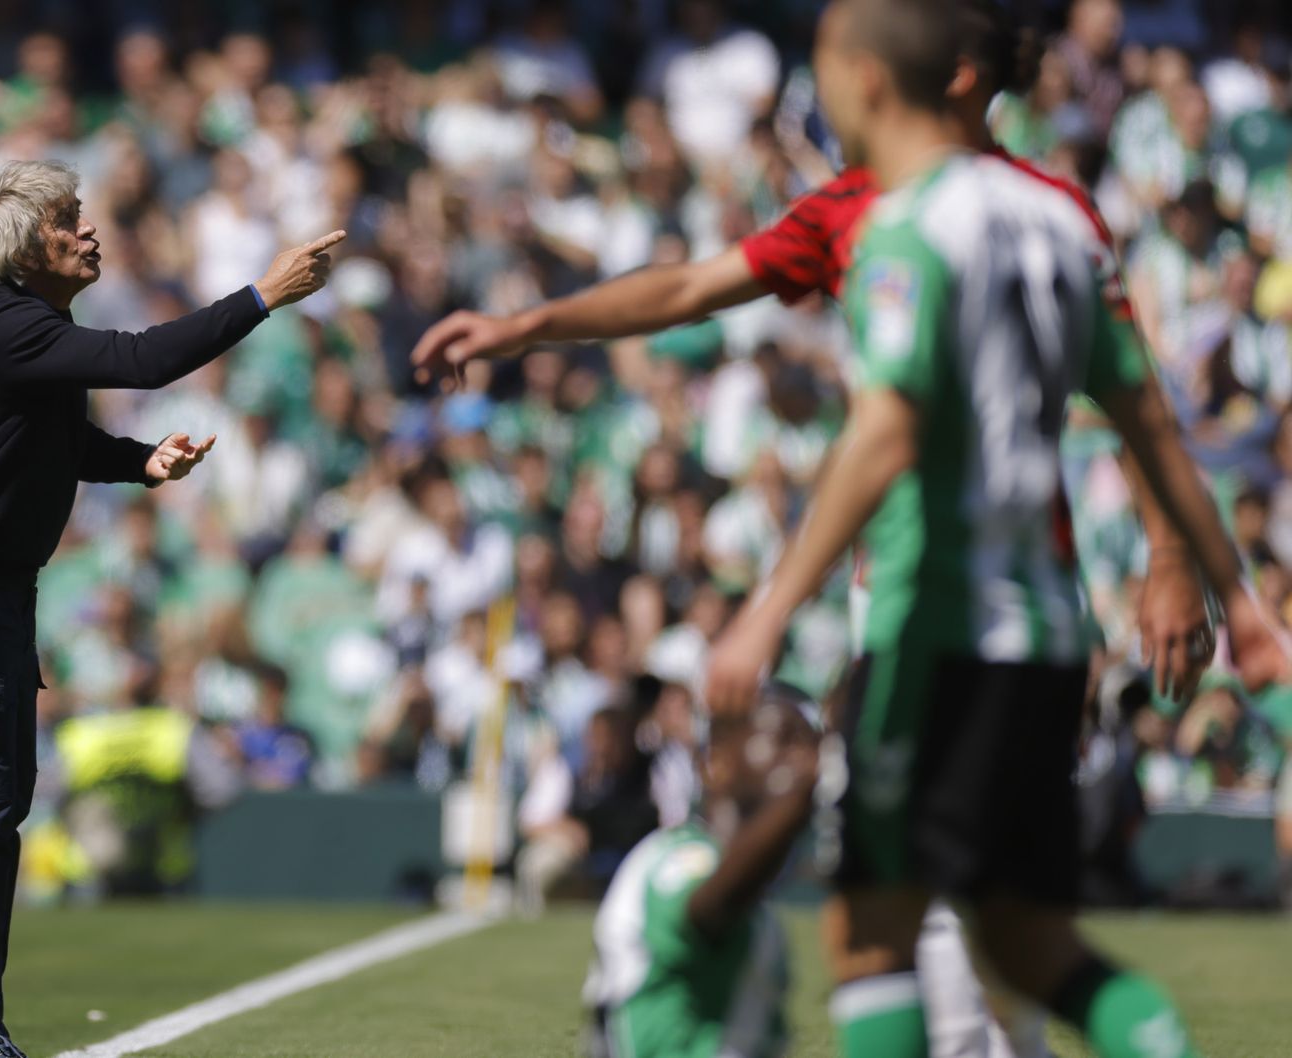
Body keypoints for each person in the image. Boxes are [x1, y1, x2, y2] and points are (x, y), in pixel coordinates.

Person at [411, 3, 1211, 1053]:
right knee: (1003, 924)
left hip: (937, 600)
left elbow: (913, 423)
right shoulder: (1025, 209)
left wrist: (768, 608)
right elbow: (694, 284)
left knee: (893, 917)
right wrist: (530, 324)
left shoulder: (911, 215)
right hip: (1028, 606)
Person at [702, 3, 1289, 1057]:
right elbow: (1148, 420)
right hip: (1047, 637)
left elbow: (884, 430)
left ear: (865, 83)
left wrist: (768, 607)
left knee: (870, 932)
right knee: (1029, 943)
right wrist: (1233, 596)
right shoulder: (1059, 221)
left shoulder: (906, 226)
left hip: (934, 631)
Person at [0, 159, 342, 1058]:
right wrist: (264, 294)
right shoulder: (0, 323)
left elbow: (57, 442)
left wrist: (139, 462)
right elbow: (146, 358)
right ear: (26, 246)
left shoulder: (28, 328)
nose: (88, 232)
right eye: (67, 221)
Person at [583, 681, 818, 1058]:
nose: (805, 759)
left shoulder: (762, 914)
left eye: (812, 745)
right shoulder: (674, 858)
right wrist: (795, 799)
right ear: (715, 763)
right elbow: (709, 909)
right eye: (784, 739)